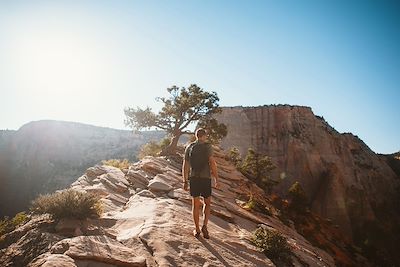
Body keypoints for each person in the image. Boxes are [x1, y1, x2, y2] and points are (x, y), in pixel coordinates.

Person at [182, 128, 219, 238]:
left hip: (194, 178)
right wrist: (216, 178)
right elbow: (212, 163)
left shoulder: (189, 147)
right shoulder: (208, 147)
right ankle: (205, 226)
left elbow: (186, 165)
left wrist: (185, 180)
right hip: (206, 178)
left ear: (196, 135)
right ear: (204, 136)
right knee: (207, 203)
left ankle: (197, 229)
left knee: (195, 205)